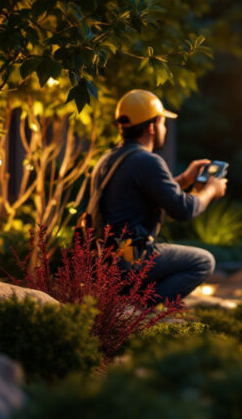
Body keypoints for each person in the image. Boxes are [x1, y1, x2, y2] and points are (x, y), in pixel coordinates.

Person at [91, 89, 227, 303]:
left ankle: (128, 306)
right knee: (203, 261)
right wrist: (211, 189)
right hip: (130, 261)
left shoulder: (111, 158)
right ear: (153, 126)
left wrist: (183, 180)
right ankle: (138, 311)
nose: (165, 129)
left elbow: (144, 195)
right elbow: (183, 210)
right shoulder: (147, 161)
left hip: (107, 260)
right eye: (164, 123)